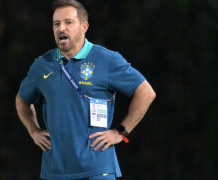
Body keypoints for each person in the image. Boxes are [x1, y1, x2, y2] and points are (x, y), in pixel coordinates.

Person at [15, 0, 156, 179]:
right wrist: (33, 130)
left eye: (68, 22)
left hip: (97, 169)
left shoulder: (106, 59)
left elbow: (145, 92)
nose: (61, 28)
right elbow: (22, 100)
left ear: (84, 26)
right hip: (55, 171)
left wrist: (121, 133)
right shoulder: (42, 65)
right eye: (56, 24)